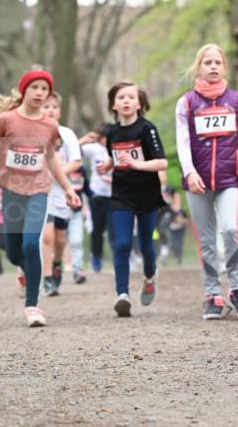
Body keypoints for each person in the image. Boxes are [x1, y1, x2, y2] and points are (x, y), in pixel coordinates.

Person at [0, 70, 81, 327]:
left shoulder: (50, 125)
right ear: (24, 90)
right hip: (11, 192)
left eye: (44, 89)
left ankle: (32, 306)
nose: (39, 93)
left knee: (32, 244)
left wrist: (68, 188)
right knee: (14, 253)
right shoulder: (6, 120)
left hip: (38, 190)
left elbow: (51, 159)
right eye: (34, 87)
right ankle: (27, 270)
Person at [175, 43, 238, 320]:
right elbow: (183, 142)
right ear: (198, 68)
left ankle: (237, 289)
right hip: (196, 182)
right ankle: (213, 294)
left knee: (229, 229)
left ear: (224, 67)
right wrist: (189, 172)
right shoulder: (186, 102)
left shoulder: (237, 100)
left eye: (217, 62)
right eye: (207, 62)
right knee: (207, 240)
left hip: (228, 179)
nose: (212, 66)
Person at [96, 81, 167, 317]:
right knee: (122, 243)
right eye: (121, 98)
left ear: (140, 103)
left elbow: (161, 162)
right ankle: (122, 295)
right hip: (121, 195)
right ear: (113, 105)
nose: (126, 101)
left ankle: (149, 275)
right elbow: (115, 157)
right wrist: (107, 164)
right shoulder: (111, 133)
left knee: (146, 246)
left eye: (131, 97)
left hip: (147, 194)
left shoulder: (147, 129)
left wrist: (137, 164)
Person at [40, 92, 82, 296]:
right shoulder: (33, 133)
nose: (50, 110)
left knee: (59, 237)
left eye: (54, 107)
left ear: (60, 110)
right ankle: (47, 277)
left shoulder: (67, 134)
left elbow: (76, 161)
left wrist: (56, 174)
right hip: (41, 191)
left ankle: (57, 264)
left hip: (62, 191)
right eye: (45, 106)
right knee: (46, 235)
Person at [79, 123, 113, 272]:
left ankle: (121, 258)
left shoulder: (117, 148)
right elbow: (73, 152)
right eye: (102, 137)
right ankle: (96, 258)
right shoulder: (94, 149)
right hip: (97, 195)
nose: (104, 140)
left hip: (115, 195)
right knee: (97, 230)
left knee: (115, 229)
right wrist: (84, 140)